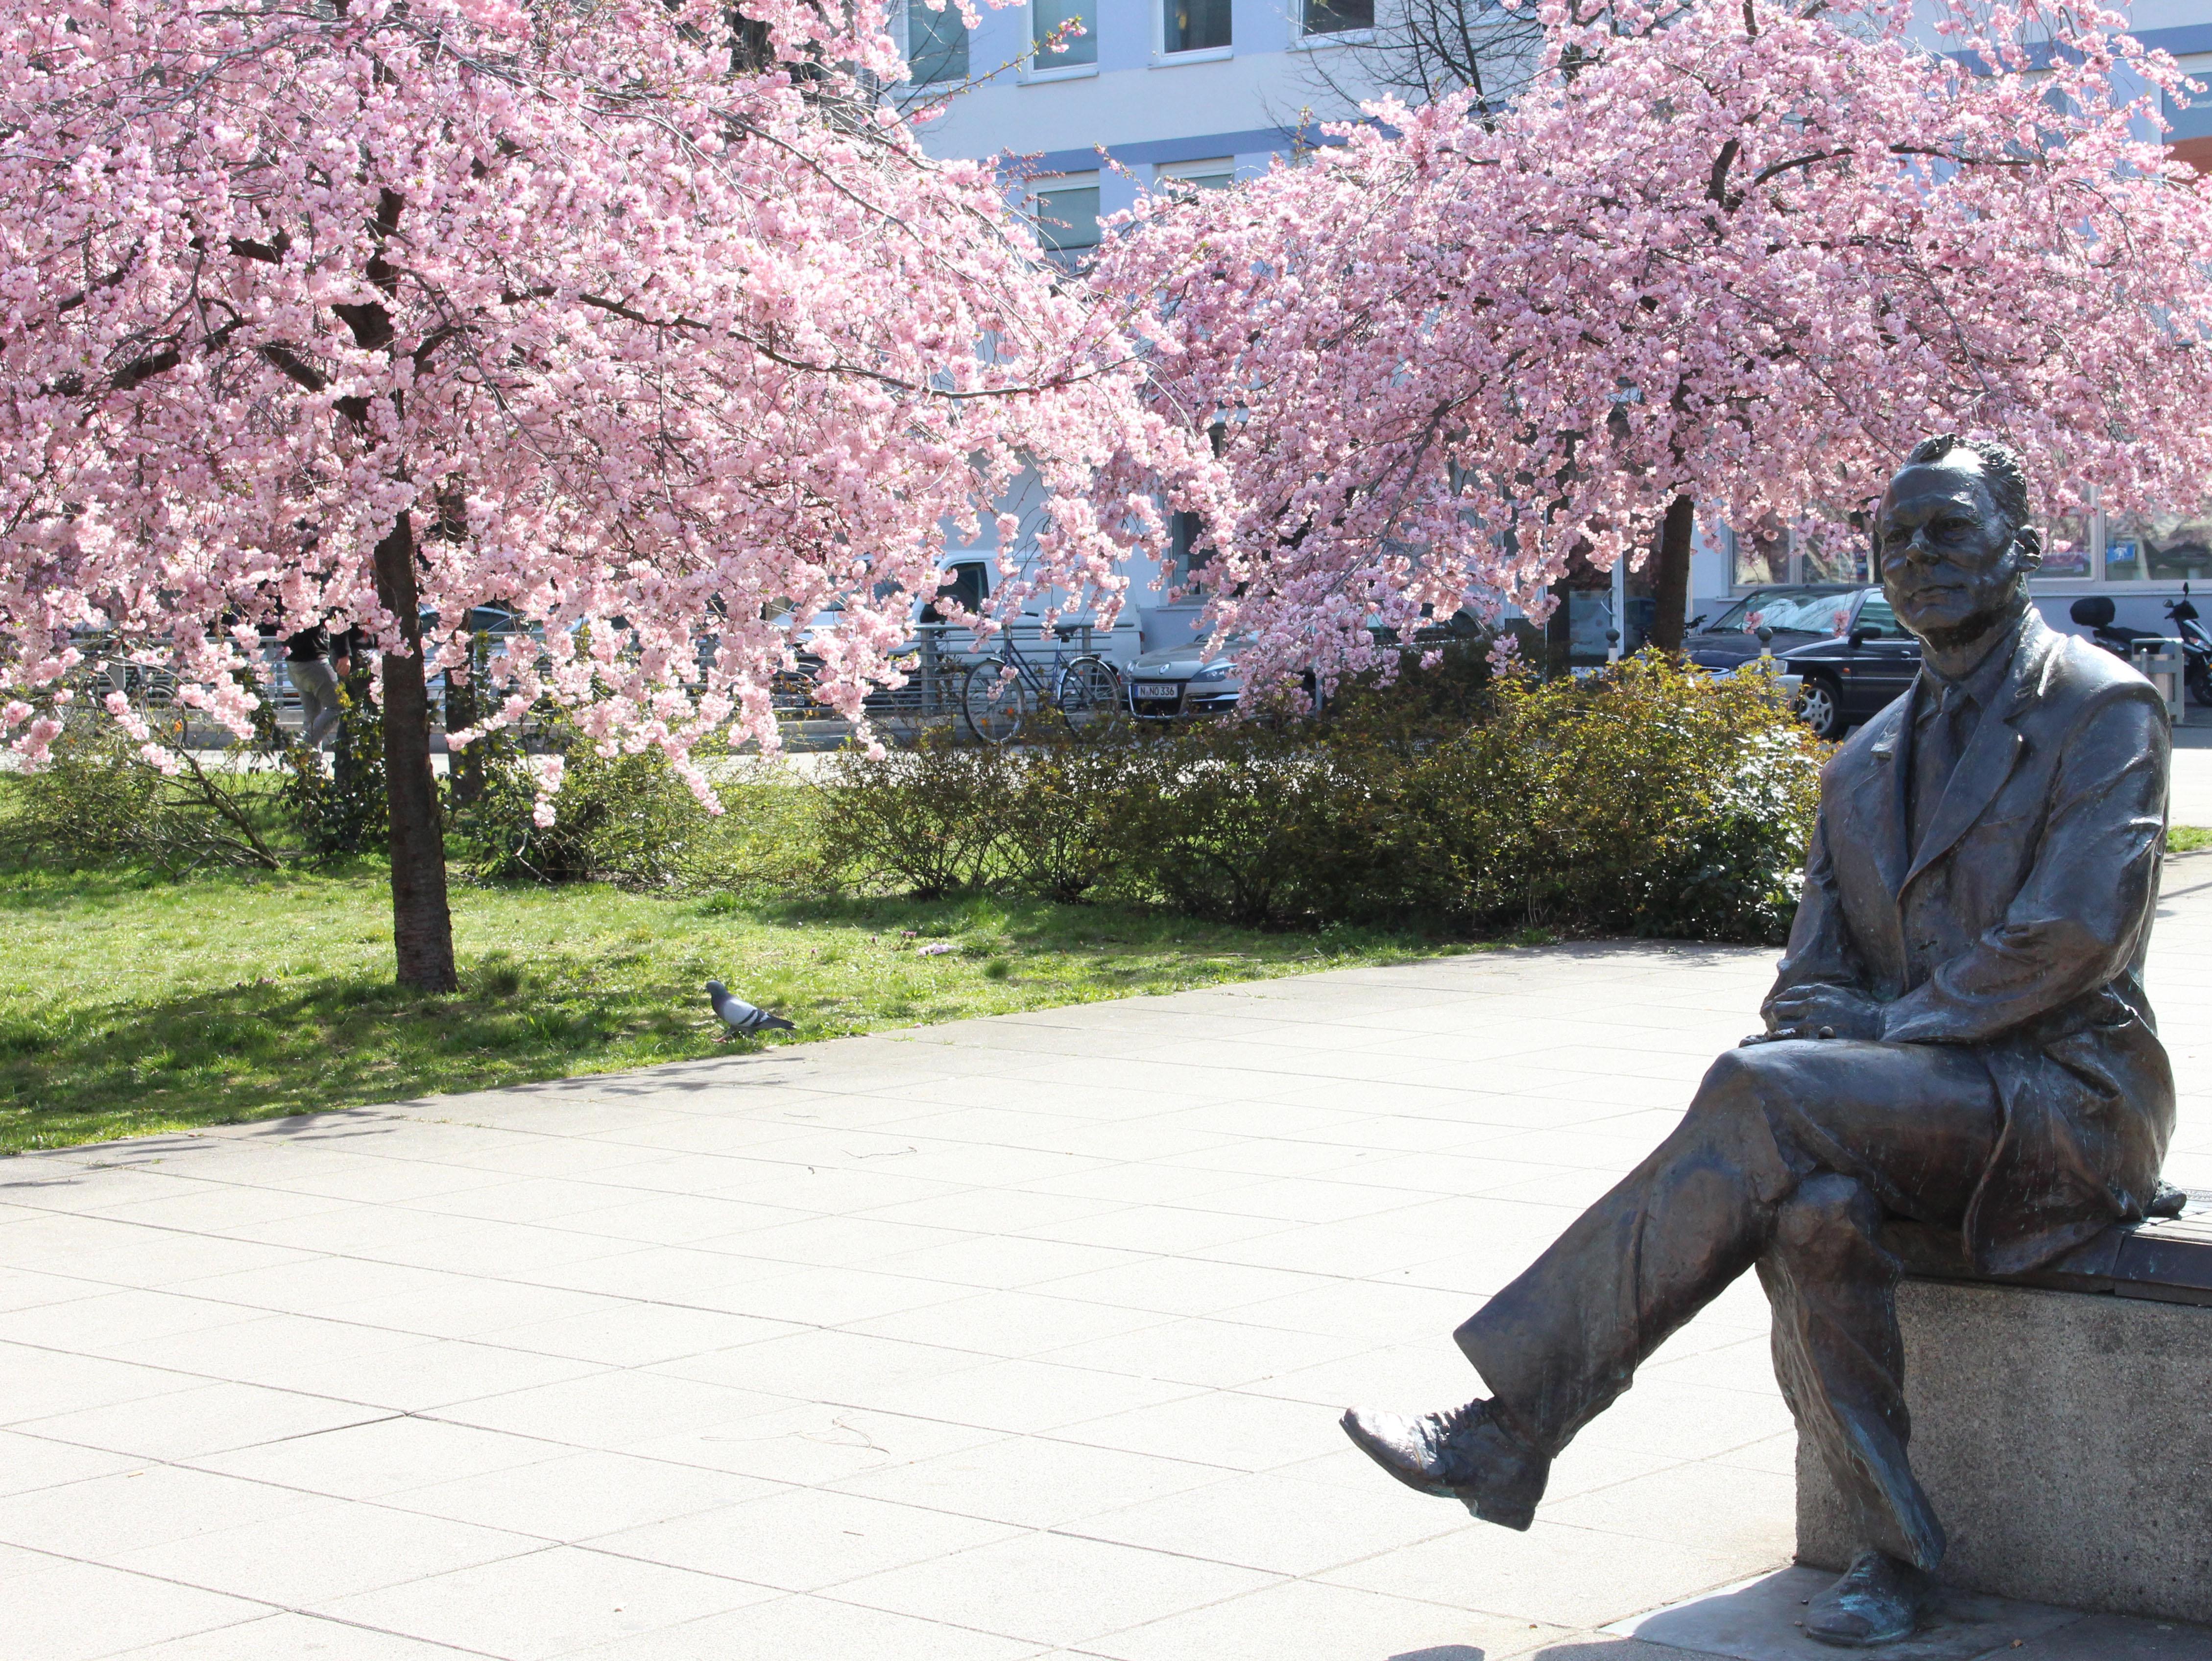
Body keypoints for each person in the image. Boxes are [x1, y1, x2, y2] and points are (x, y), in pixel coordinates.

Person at [1341, 434, 2172, 1647]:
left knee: (1759, 1093)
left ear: (2022, 547)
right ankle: (1893, 1549)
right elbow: (1807, 983)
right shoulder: (1861, 763)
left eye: (1949, 528)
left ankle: (1514, 1426)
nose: (1918, 556)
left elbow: (2076, 932)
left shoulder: (2102, 706)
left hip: (2061, 1101)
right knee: (1813, 1203)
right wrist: (1835, 1030)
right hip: (1895, 1106)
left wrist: (1876, 1032)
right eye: (1895, 538)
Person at [284, 622, 346, 748]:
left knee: (312, 717)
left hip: (293, 662)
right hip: (313, 660)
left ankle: (311, 764)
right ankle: (302, 750)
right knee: (338, 707)